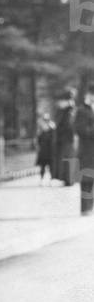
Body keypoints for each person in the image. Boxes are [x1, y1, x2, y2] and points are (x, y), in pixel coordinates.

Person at [74, 86, 94, 215]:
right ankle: (86, 208)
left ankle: (90, 207)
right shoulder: (82, 111)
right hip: (87, 150)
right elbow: (80, 130)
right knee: (87, 179)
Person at [52, 91, 76, 185]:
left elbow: (69, 126)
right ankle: (67, 179)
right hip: (64, 139)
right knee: (65, 159)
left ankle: (69, 180)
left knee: (68, 159)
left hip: (68, 139)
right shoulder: (64, 111)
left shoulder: (69, 111)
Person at [36, 114, 55, 181]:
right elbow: (38, 140)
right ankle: (42, 178)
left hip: (49, 151)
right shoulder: (41, 129)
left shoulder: (52, 128)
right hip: (43, 151)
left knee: (51, 166)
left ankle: (51, 179)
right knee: (43, 166)